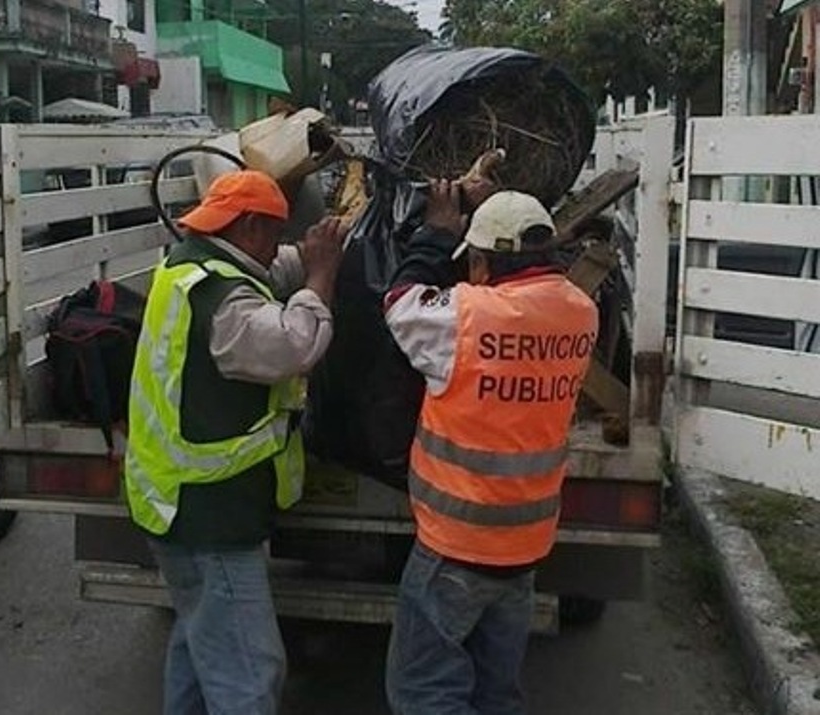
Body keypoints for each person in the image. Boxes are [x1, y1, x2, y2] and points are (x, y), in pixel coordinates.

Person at [123, 169, 345, 715]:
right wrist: (321, 280)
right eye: (273, 233)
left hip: (174, 504)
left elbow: (270, 270)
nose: (278, 246)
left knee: (200, 646)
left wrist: (318, 250)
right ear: (247, 226)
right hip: (210, 515)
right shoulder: (223, 300)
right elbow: (293, 347)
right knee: (248, 675)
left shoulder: (188, 267)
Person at [383, 182, 599, 715]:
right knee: (495, 692)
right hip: (523, 545)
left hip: (455, 544)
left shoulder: (468, 317)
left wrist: (436, 234)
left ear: (480, 262)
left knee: (423, 692)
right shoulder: (582, 310)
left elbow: (399, 303)